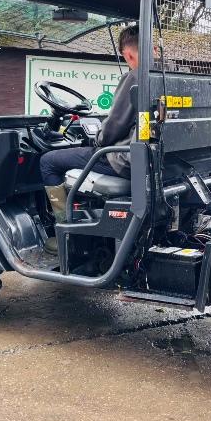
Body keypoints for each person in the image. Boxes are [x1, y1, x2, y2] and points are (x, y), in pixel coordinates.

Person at [39, 25, 139, 252]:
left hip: (123, 160)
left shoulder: (134, 77)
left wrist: (97, 139)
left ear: (128, 54)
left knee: (47, 161)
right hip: (148, 159)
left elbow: (112, 129)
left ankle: (66, 234)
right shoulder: (166, 75)